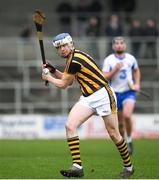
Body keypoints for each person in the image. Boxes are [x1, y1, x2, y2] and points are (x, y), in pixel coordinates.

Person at [41, 33, 134, 178]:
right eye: (59, 47)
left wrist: (48, 78)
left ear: (71, 44)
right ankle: (77, 166)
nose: (63, 49)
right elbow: (69, 80)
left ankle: (128, 167)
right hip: (87, 97)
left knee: (114, 135)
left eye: (65, 45)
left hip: (103, 95)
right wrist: (53, 71)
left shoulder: (75, 59)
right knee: (70, 125)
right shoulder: (72, 58)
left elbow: (64, 84)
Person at [102, 36, 141, 155]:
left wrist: (137, 84)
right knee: (120, 124)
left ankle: (129, 140)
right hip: (115, 94)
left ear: (124, 45)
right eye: (117, 43)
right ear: (113, 46)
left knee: (127, 115)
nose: (119, 45)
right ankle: (124, 145)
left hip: (128, 92)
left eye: (121, 43)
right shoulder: (109, 60)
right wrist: (114, 70)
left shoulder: (131, 58)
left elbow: (136, 70)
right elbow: (104, 76)